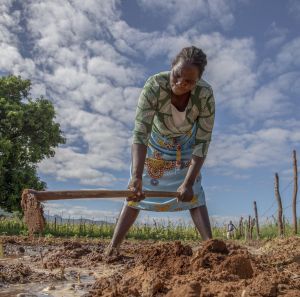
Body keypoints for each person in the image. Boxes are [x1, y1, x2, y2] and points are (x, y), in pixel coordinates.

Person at [107, 46, 215, 255]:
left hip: (186, 147)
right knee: (135, 194)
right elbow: (140, 133)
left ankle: (211, 249)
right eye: (177, 76)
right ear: (172, 67)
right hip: (155, 145)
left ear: (198, 81)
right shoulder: (154, 86)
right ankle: (112, 249)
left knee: (195, 195)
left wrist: (188, 182)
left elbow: (203, 142)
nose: (180, 84)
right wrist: (137, 176)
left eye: (189, 82)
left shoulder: (205, 95)